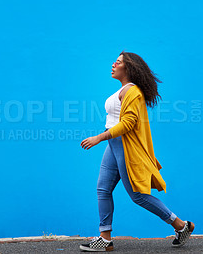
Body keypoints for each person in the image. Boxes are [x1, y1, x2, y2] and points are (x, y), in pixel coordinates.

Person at [79, 51, 195, 252]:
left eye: (118, 62)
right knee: (103, 189)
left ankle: (181, 225)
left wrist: (99, 137)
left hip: (124, 145)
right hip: (114, 145)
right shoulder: (123, 90)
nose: (113, 64)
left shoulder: (132, 92)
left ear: (129, 68)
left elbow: (129, 124)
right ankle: (105, 238)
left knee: (138, 196)